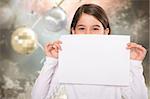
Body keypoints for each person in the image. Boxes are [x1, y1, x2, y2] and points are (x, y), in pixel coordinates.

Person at [31, 4, 148, 99]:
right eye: (82, 28)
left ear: (106, 32)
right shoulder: (66, 61)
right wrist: (51, 61)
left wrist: (135, 64)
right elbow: (38, 97)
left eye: (95, 28)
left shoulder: (118, 60)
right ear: (73, 31)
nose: (88, 34)